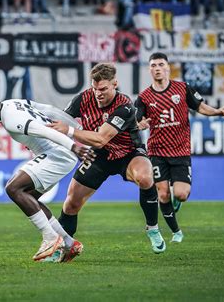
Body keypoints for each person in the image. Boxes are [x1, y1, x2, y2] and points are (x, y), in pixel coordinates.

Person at [49, 63, 166, 254]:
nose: (98, 93)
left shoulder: (125, 106)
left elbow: (101, 138)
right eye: (95, 89)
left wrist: (70, 130)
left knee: (145, 178)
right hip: (99, 156)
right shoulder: (83, 98)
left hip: (128, 152)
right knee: (71, 203)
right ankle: (62, 249)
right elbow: (60, 120)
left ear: (115, 84)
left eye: (103, 89)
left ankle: (152, 228)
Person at [0, 87, 94, 262]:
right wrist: (77, 127)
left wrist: (74, 146)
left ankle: (50, 238)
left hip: (57, 154)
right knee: (29, 198)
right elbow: (49, 109)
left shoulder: (12, 119)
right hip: (58, 153)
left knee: (13, 188)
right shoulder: (13, 103)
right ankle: (68, 242)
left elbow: (46, 132)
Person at [134, 52, 224, 243]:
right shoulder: (144, 96)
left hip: (180, 150)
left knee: (181, 194)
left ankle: (176, 200)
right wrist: (140, 125)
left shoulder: (182, 88)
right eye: (153, 65)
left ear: (168, 67)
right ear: (149, 69)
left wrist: (218, 111)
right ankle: (176, 232)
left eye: (161, 64)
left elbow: (201, 107)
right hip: (157, 151)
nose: (157, 68)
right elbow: (136, 121)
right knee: (162, 193)